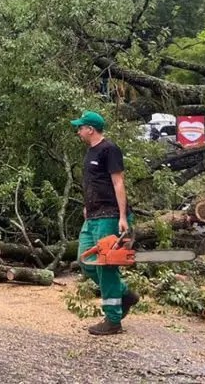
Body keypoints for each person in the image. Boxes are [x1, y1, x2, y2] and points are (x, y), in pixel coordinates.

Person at [70, 110, 139, 335]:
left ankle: (113, 320)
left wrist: (122, 217)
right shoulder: (89, 151)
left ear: (91, 129)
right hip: (93, 215)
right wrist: (87, 206)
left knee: (106, 268)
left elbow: (118, 183)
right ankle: (124, 294)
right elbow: (93, 183)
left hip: (109, 215)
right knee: (87, 261)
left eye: (81, 127)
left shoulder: (109, 149)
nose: (78, 131)